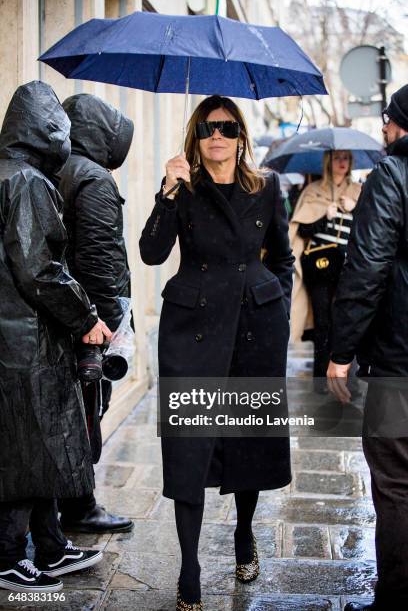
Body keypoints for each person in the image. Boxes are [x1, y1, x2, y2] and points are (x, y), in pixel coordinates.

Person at [139, 95, 294, 610]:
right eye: (207, 127)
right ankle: (189, 567)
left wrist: (279, 310)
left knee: (246, 441)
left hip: (255, 325)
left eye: (226, 127)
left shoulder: (267, 186)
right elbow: (151, 252)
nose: (217, 136)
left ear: (241, 135)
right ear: (196, 136)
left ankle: (244, 533)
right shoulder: (183, 187)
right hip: (193, 328)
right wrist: (167, 191)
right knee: (189, 443)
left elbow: (284, 258)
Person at [0, 81, 111, 592]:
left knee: (35, 447)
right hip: (27, 340)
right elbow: (40, 269)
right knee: (27, 449)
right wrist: (87, 317)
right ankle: (7, 556)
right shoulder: (26, 181)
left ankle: (50, 545)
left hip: (17, 338)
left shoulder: (10, 175)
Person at [327, 84, 408, 611]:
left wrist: (341, 351)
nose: (382, 127)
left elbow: (367, 270)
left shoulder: (392, 176)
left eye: (388, 118)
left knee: (397, 480)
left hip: (400, 360)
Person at [57, 93, 134, 534]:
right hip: (90, 322)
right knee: (87, 410)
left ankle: (70, 505)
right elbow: (100, 260)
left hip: (63, 317)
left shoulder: (60, 170)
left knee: (68, 414)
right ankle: (80, 507)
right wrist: (106, 325)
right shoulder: (94, 178)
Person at [289, 150, 361, 392]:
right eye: (338, 158)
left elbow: (369, 227)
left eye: (346, 159)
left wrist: (355, 208)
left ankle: (344, 376)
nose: (342, 163)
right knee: (322, 322)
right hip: (319, 267)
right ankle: (321, 379)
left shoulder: (358, 191)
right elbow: (302, 230)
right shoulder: (313, 190)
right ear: (329, 161)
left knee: (344, 319)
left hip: (348, 267)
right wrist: (323, 216)